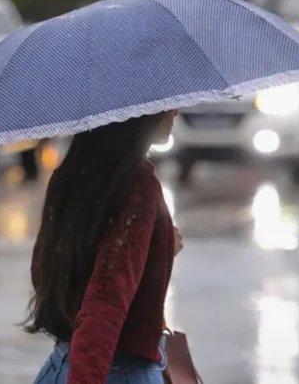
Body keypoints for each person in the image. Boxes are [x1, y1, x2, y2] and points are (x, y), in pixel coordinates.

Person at [23, 109, 183, 384]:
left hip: (61, 365)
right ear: (139, 112)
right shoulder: (139, 186)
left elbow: (45, 271)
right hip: (114, 372)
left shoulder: (69, 176)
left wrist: (159, 250)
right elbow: (107, 299)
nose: (176, 111)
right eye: (165, 104)